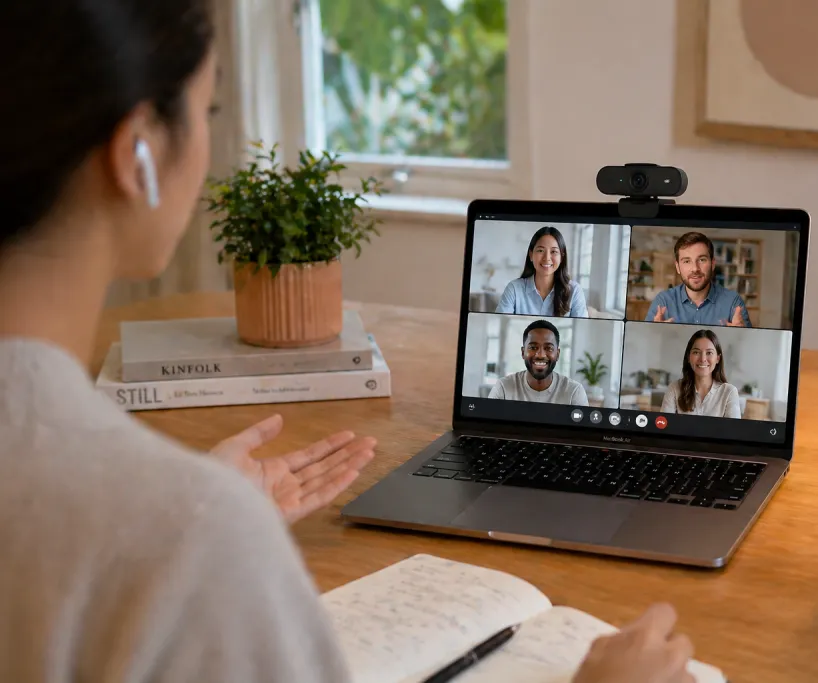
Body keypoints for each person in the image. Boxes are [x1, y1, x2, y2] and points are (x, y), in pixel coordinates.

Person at [0, 2, 698, 682]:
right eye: (208, 111)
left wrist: (181, 520)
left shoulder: (171, 522)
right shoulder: (190, 531)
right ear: (139, 153)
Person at [644, 231, 751, 328]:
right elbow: (645, 344)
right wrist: (654, 334)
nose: (695, 268)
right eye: (687, 261)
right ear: (677, 267)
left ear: (713, 264)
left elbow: (749, 346)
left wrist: (741, 335)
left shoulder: (733, 302)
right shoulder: (663, 302)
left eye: (702, 260)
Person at [488, 320, 590, 406]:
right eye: (533, 347)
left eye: (548, 348)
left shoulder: (574, 392)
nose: (540, 355)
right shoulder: (503, 387)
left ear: (558, 354)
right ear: (523, 353)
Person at [495, 226, 589, 317]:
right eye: (540, 250)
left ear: (561, 257)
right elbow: (501, 325)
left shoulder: (574, 291)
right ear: (531, 255)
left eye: (554, 252)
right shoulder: (514, 289)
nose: (547, 258)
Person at [661, 329, 742, 419]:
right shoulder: (674, 389)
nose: (703, 359)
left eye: (709, 353)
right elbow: (664, 427)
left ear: (718, 359)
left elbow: (732, 432)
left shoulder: (729, 392)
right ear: (689, 357)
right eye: (696, 352)